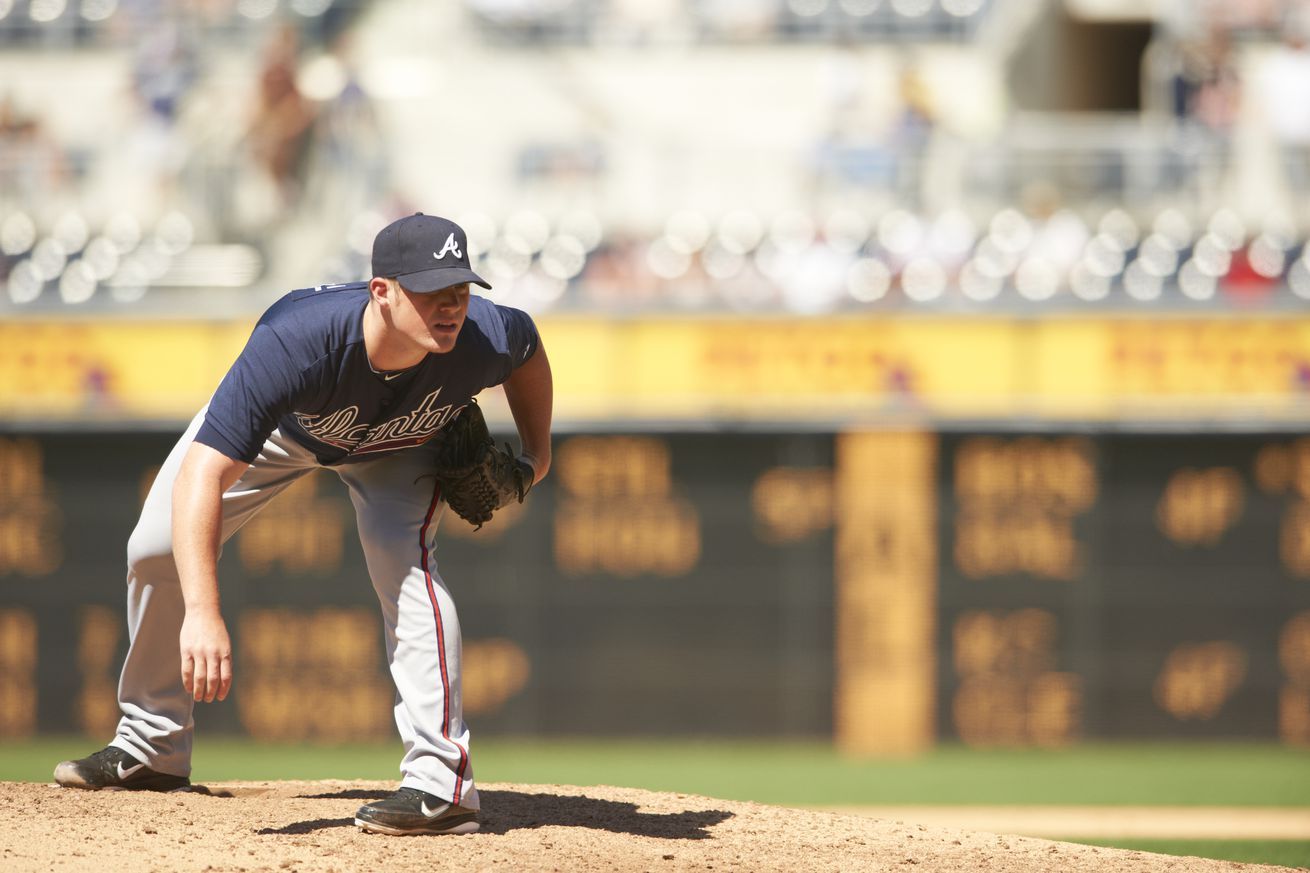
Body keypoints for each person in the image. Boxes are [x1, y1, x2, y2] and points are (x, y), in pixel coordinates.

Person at [53, 213, 554, 836]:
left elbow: (528, 348)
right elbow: (200, 477)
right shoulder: (298, 340)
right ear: (382, 291)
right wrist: (204, 613)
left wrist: (538, 455)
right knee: (154, 550)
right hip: (286, 436)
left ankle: (440, 784)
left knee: (409, 576)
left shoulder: (483, 335)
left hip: (400, 446)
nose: (449, 308)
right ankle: (152, 744)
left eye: (458, 291)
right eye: (430, 293)